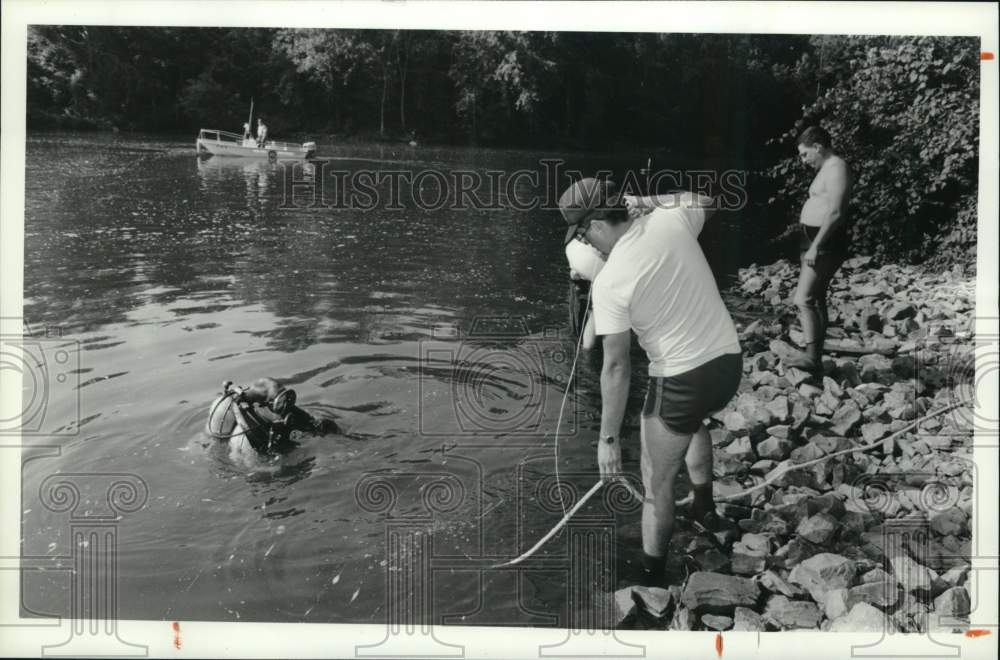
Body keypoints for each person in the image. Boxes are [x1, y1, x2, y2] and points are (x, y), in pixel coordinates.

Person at [558, 177, 742, 587]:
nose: (588, 246)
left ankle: (651, 577)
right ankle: (704, 508)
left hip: (682, 380)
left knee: (656, 484)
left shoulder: (609, 281)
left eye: (584, 235)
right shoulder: (673, 220)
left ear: (598, 226)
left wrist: (607, 439)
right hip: (728, 367)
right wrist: (642, 199)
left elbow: (617, 368)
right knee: (693, 421)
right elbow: (706, 200)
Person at [784, 125, 853, 371]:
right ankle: (815, 355)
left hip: (825, 242)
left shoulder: (837, 168)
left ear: (818, 147)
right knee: (817, 297)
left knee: (802, 299)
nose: (803, 161)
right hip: (816, 241)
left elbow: (836, 212)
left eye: (805, 154)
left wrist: (815, 246)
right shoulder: (828, 168)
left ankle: (812, 358)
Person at [206, 377, 336, 453]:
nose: (285, 409)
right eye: (278, 405)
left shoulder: (291, 414)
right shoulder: (246, 438)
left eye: (285, 400)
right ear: (259, 406)